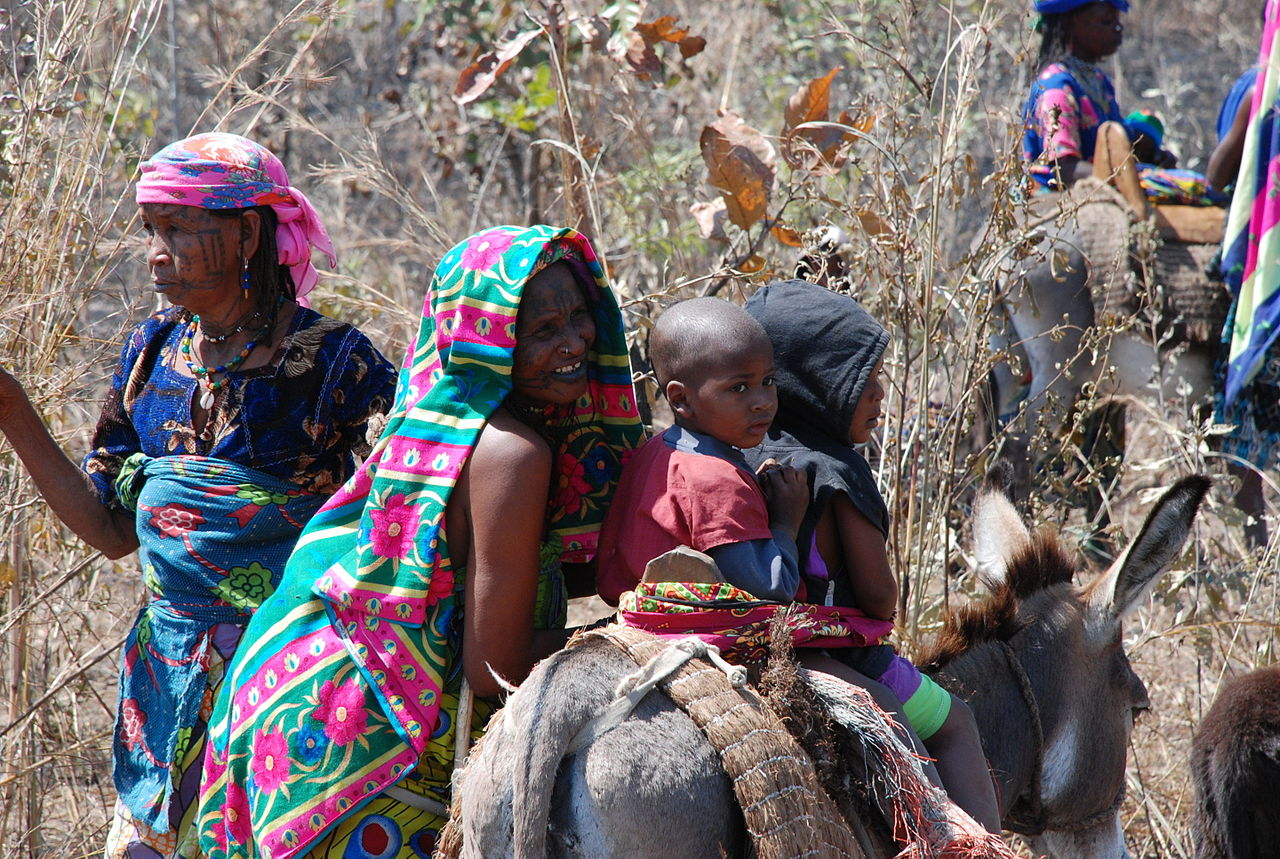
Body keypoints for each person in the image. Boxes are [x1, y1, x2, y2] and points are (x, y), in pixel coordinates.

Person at [0, 132, 397, 858]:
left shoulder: (332, 361)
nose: (157, 250)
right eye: (152, 228)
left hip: (296, 680)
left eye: (181, 227)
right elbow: (115, 529)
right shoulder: (150, 357)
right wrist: (13, 411)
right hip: (165, 683)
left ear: (247, 232)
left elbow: (400, 508)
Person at [196, 224, 645, 858]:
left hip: (287, 706)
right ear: (488, 344)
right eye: (542, 331)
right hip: (356, 746)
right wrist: (633, 642)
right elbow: (497, 668)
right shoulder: (512, 454)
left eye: (580, 317)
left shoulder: (440, 418)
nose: (573, 343)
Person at [595, 295, 1000, 833]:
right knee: (888, 718)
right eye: (739, 388)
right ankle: (944, 838)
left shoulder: (654, 453)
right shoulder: (720, 478)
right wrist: (785, 522)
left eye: (767, 382)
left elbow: (607, 572)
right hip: (730, 641)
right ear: (681, 399)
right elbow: (771, 590)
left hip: (642, 625)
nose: (762, 402)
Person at [742, 280, 1000, 833]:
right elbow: (881, 601)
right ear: (813, 385)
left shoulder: (744, 452)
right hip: (846, 655)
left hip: (755, 641)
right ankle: (973, 846)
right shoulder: (837, 475)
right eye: (861, 379)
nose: (880, 392)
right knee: (957, 723)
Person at [1212, 5, 1280, 549]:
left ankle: (1253, 551)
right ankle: (1256, 556)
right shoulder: (1260, 88)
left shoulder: (1260, 87)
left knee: (1244, 421)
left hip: (1269, 280)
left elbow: (1217, 179)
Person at [1023, 0, 1186, 194]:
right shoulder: (1056, 87)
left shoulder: (1098, 80)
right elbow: (1064, 169)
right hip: (1059, 204)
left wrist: (1154, 158)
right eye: (1106, 21)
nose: (1118, 28)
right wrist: (1130, 176)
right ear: (1071, 24)